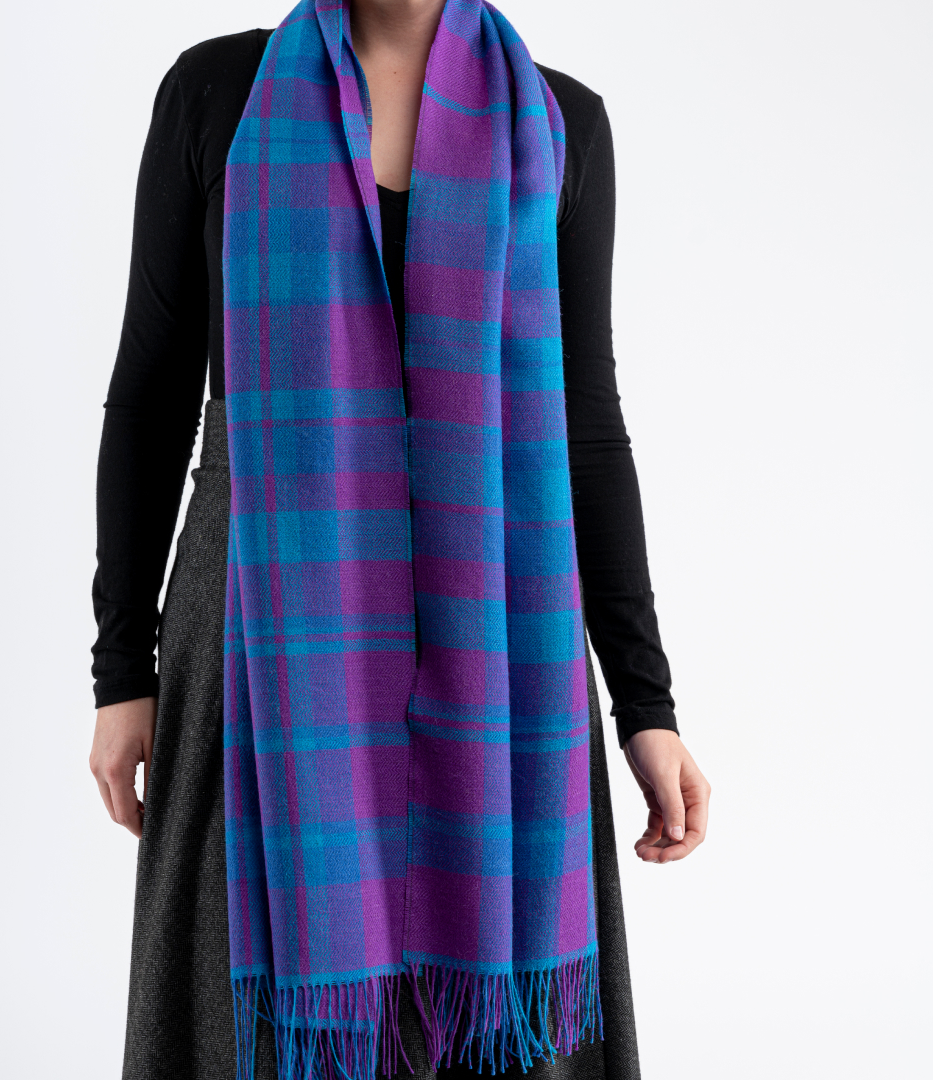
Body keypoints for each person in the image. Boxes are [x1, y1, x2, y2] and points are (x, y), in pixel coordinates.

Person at [88, 2, 711, 1078]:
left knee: (492, 1024)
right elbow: (150, 395)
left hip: (501, 642)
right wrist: (121, 673)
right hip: (263, 633)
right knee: (256, 1024)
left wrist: (645, 705)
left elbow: (586, 427)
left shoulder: (559, 124)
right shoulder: (218, 98)